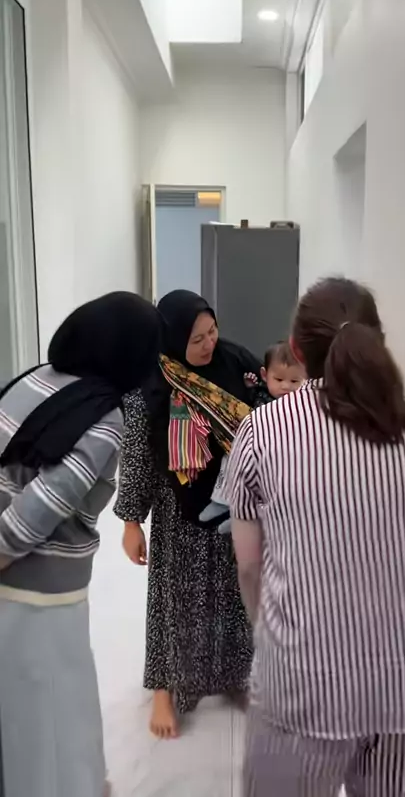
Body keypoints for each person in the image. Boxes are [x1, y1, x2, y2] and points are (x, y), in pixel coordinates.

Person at [225, 277, 405, 797]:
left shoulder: (264, 430)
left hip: (306, 687)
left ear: (295, 350)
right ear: (378, 341)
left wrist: (279, 640)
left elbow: (249, 567)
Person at [0, 292, 161, 797]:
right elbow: (42, 506)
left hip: (16, 588)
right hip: (42, 592)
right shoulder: (103, 418)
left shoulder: (34, 378)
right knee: (54, 719)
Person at [114, 289, 262, 739]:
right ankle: (164, 687)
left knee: (235, 595)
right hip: (177, 511)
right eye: (196, 338)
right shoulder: (151, 383)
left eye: (212, 331)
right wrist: (131, 523)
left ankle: (235, 676)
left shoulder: (237, 362)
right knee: (173, 601)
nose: (209, 343)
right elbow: (137, 457)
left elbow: (268, 419)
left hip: (233, 502)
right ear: (174, 338)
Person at [200, 341, 305, 532]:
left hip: (283, 455)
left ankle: (246, 515)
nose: (285, 387)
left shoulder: (303, 404)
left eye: (294, 381)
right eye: (279, 379)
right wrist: (249, 387)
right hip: (254, 445)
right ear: (265, 375)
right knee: (231, 456)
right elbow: (246, 406)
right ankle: (222, 501)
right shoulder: (261, 393)